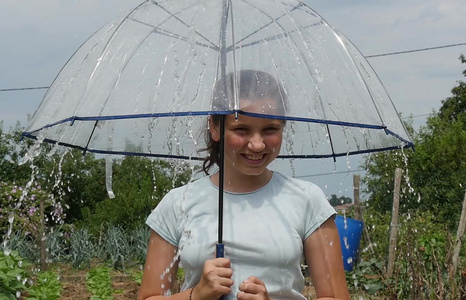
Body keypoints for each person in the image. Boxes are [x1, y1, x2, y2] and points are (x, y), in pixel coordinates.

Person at [138, 70, 350, 300]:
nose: (257, 145)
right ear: (215, 127)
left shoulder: (307, 200)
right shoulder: (177, 204)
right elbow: (149, 296)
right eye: (241, 130)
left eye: (270, 129)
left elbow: (336, 296)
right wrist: (196, 296)